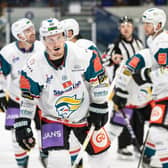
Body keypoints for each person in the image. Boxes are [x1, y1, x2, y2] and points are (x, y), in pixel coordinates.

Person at [14, 18, 111, 168]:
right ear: (43, 41)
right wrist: (23, 123)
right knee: (57, 161)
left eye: (59, 37)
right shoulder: (32, 67)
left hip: (84, 115)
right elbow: (28, 99)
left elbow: (98, 79)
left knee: (102, 157)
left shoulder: (83, 55)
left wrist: (100, 104)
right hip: (53, 118)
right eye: (50, 39)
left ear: (65, 37)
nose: (55, 43)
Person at [110, 8, 168, 167]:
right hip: (156, 94)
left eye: (148, 23)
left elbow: (166, 68)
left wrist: (148, 76)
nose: (145, 26)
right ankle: (147, 157)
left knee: (157, 130)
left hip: (163, 95)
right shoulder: (151, 40)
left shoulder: (162, 42)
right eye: (144, 23)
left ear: (158, 25)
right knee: (155, 128)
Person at [0, 18, 47, 168]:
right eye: (28, 30)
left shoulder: (43, 47)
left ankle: (47, 159)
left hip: (41, 101)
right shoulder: (8, 52)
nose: (33, 32)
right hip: (17, 100)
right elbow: (1, 73)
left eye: (32, 28)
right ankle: (22, 165)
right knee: (17, 139)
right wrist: (0, 92)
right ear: (19, 35)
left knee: (47, 135)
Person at [103, 16, 146, 159]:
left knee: (138, 115)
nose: (126, 28)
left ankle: (138, 143)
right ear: (119, 29)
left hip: (137, 85)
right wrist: (112, 59)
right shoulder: (115, 45)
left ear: (133, 28)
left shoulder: (139, 42)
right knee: (122, 115)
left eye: (128, 26)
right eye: (123, 26)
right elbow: (104, 60)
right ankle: (123, 146)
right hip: (123, 86)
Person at [61, 18, 101, 167]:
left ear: (74, 31)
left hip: (89, 101)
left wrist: (97, 101)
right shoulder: (64, 48)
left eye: (67, 32)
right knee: (72, 140)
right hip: (73, 102)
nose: (64, 35)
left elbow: (97, 73)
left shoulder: (85, 45)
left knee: (96, 143)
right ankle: (77, 164)